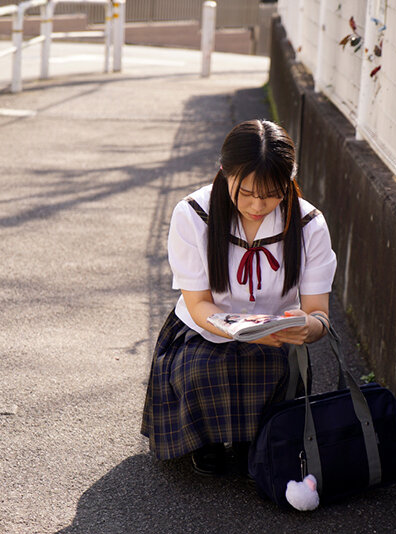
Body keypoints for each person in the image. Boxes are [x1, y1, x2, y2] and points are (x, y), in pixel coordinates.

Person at [140, 119, 337, 476]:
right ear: (224, 172)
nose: (258, 205)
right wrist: (238, 330)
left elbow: (318, 312)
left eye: (272, 193)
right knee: (200, 367)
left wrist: (307, 327)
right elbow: (198, 303)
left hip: (275, 336)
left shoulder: (309, 224)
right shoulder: (194, 214)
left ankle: (253, 439)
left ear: (289, 181)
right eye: (246, 192)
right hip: (206, 329)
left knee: (271, 365)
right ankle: (206, 440)